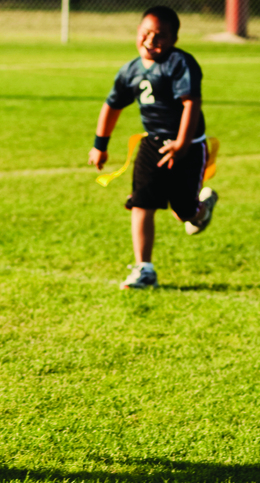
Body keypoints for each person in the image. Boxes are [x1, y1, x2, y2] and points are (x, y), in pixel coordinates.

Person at [88, 5, 219, 290]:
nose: (150, 41)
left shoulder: (181, 63)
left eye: (159, 36)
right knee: (141, 202)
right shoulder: (130, 70)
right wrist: (100, 145)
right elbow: (111, 106)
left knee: (183, 210)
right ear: (137, 32)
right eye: (145, 33)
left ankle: (201, 209)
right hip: (152, 142)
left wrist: (183, 142)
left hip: (188, 145)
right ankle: (144, 269)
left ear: (174, 39)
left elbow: (190, 104)